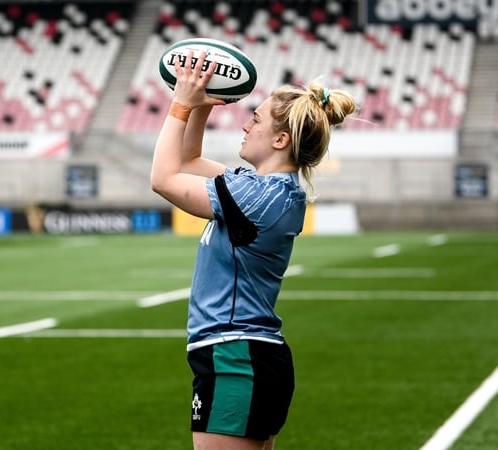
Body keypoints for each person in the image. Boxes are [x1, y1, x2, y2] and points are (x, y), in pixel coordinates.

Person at [150, 51, 357, 450]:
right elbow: (188, 161)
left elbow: (163, 178)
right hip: (247, 355)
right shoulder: (265, 190)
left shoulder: (256, 197)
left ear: (280, 140)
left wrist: (180, 104)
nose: (246, 126)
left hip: (235, 356)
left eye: (256, 119)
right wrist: (202, 104)